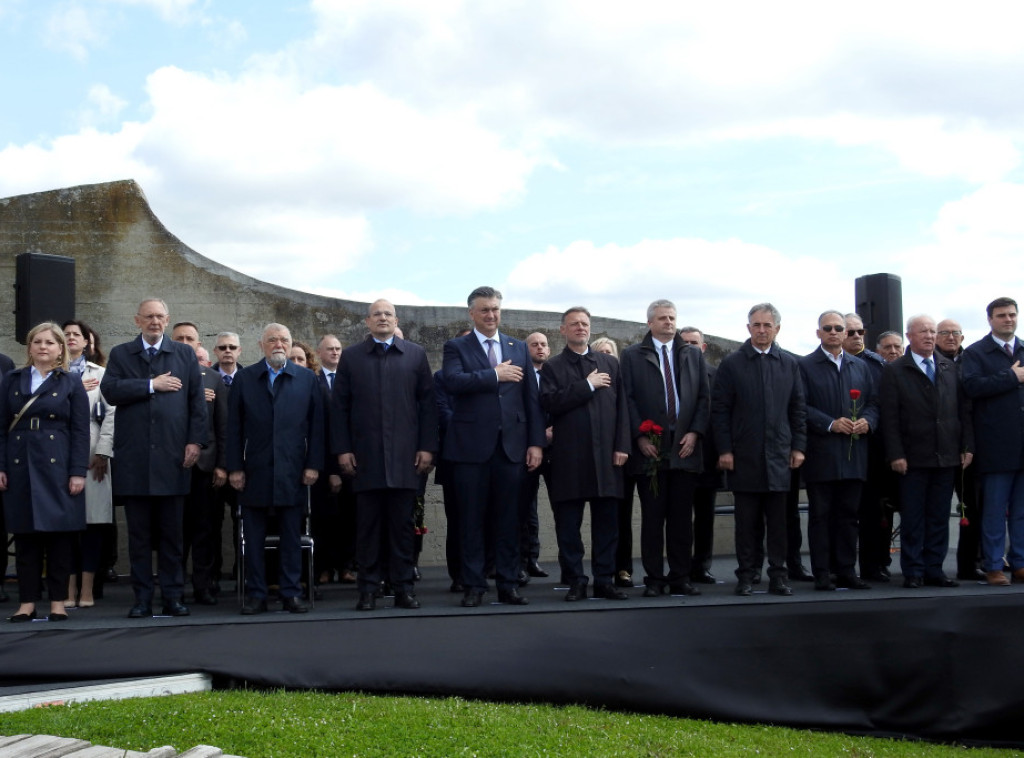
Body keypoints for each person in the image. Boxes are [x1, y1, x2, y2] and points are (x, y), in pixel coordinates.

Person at [101, 298, 208, 619]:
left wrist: (195, 442)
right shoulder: (122, 354)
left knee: (172, 537)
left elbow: (196, 404)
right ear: (137, 321)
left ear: (167, 319)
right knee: (139, 537)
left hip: (173, 460)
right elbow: (111, 391)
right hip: (134, 462)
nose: (155, 322)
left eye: (160, 317)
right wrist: (151, 384)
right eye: (149, 317)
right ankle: (142, 598)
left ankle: (173, 597)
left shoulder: (184, 354)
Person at [441, 286, 545, 608]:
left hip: (511, 449)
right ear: (471, 313)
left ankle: (508, 585)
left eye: (496, 309)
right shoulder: (456, 346)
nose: (491, 315)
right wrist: (493, 374)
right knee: (471, 521)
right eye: (484, 310)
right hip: (471, 449)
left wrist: (535, 443)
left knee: (509, 521)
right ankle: (474, 586)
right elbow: (453, 382)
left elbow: (532, 401)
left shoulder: (518, 347)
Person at [332, 300, 438, 611]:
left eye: (387, 314)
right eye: (376, 314)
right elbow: (339, 408)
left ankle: (403, 589)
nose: (382, 318)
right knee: (367, 530)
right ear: (367, 322)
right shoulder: (351, 357)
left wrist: (427, 447)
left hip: (407, 460)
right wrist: (343, 450)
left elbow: (428, 406)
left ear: (396, 320)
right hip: (365, 460)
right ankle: (367, 590)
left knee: (402, 530)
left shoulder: (415, 355)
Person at [227, 323, 323, 614]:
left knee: (291, 537)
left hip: (293, 471)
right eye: (272, 340)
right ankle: (257, 594)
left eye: (284, 339)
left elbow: (318, 427)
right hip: (254, 470)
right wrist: (234, 468)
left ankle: (291, 593)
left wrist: (314, 465)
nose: (278, 344)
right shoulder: (245, 378)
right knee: (253, 538)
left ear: (291, 343)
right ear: (261, 345)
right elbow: (234, 428)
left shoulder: (307, 379)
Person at [712, 303, 806, 597]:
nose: (762, 330)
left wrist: (798, 447)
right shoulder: (732, 364)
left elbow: (798, 408)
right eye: (756, 325)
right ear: (748, 327)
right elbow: (720, 411)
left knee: (779, 523)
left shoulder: (789, 364)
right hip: (744, 456)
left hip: (780, 456)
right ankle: (747, 574)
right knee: (746, 523)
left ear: (777, 328)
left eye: (767, 325)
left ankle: (778, 574)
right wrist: (725, 450)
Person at [0, 322, 90, 622]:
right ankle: (26, 602)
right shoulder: (12, 380)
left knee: (59, 539)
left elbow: (80, 431)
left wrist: (77, 471)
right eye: (37, 342)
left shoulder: (70, 382)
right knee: (26, 537)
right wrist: (1, 465)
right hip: (20, 462)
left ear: (60, 348)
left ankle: (57, 602)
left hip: (58, 464)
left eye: (50, 343)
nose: (43, 347)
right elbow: (1, 428)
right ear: (29, 348)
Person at [540, 307, 631, 600]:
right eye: (574, 324)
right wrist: (587, 386)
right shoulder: (553, 367)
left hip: (607, 458)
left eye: (585, 323)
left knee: (607, 524)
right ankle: (576, 580)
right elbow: (550, 402)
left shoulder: (609, 363)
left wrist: (622, 446)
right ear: (563, 330)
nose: (580, 328)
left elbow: (623, 410)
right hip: (570, 458)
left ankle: (604, 579)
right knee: (568, 525)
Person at [621, 300, 710, 597]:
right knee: (653, 517)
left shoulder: (691, 355)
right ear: (649, 323)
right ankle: (655, 579)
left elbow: (702, 399)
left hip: (685, 448)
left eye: (672, 318)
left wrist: (695, 433)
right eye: (662, 318)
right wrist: (640, 438)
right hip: (652, 450)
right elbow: (628, 400)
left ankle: (680, 577)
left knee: (682, 519)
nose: (669, 323)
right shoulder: (633, 356)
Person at [880, 314, 973, 588]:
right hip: (912, 459)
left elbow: (962, 412)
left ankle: (935, 569)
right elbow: (890, 418)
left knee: (938, 517)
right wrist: (896, 454)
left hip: (945, 456)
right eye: (924, 331)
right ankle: (913, 571)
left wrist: (967, 447)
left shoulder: (949, 367)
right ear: (909, 336)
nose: (930, 336)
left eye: (933, 331)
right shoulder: (895, 370)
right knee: (913, 517)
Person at [799, 311, 879, 591]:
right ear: (818, 332)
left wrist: (868, 421)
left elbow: (873, 402)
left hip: (855, 453)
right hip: (822, 453)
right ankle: (822, 571)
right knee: (821, 516)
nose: (834, 332)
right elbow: (800, 407)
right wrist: (830, 423)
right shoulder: (805, 366)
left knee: (849, 515)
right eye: (827, 328)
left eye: (839, 328)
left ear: (846, 333)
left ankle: (846, 569)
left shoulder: (861, 366)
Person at [961, 297, 1024, 586]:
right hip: (996, 447)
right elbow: (972, 387)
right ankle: (994, 565)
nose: (1008, 319)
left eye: (1012, 314)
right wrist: (1011, 377)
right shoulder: (976, 353)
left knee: (1022, 512)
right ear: (990, 319)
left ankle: (1021, 563)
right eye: (1001, 315)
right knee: (995, 512)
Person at [171, 321, 228, 606]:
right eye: (179, 337)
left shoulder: (213, 378)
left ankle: (203, 586)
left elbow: (223, 427)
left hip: (206, 469)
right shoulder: (162, 376)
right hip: (172, 467)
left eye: (189, 338)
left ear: (198, 343)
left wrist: (221, 465)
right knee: (174, 533)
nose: (184, 341)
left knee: (205, 531)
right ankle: (175, 588)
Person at [63, 320, 116, 608]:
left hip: (94, 459)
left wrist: (104, 452)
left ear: (87, 342)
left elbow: (110, 414)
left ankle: (86, 590)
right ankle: (68, 590)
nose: (71, 338)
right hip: (58, 459)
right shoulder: (50, 375)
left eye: (76, 335)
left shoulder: (102, 374)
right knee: (66, 527)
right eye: (66, 334)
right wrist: (74, 387)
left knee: (94, 526)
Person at [841, 312, 892, 583]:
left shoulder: (877, 365)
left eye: (860, 332)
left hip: (872, 448)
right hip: (839, 447)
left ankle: (875, 565)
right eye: (850, 332)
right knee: (844, 513)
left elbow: (882, 405)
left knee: (875, 513)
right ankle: (840, 568)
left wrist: (868, 422)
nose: (856, 337)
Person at [935, 318, 983, 581]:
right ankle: (932, 566)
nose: (950, 337)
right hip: (935, 450)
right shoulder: (928, 364)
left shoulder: (971, 362)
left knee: (971, 510)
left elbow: (969, 411)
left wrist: (969, 447)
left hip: (966, 450)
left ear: (963, 338)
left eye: (955, 333)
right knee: (937, 510)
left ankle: (969, 565)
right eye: (944, 333)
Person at [678, 326, 720, 585]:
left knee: (705, 517)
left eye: (695, 342)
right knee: (680, 518)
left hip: (709, 457)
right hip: (681, 456)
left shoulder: (717, 375)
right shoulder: (672, 376)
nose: (691, 346)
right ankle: (681, 567)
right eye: (686, 343)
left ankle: (702, 566)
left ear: (703, 348)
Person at [520, 331, 552, 581]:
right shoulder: (519, 377)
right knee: (523, 508)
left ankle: (533, 559)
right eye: (534, 345)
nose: (539, 348)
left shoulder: (555, 375)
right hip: (527, 448)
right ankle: (522, 561)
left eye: (543, 345)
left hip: (555, 449)